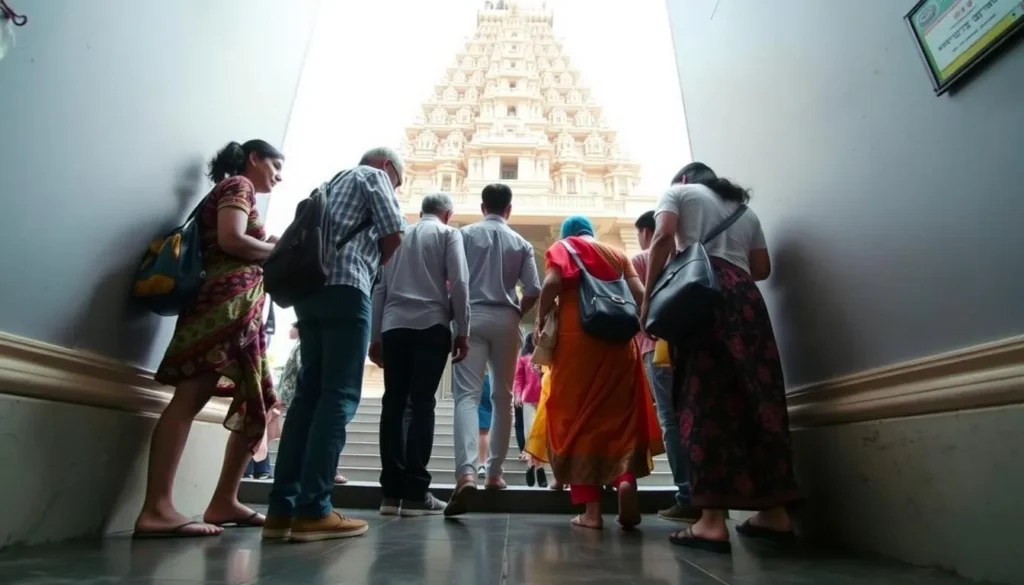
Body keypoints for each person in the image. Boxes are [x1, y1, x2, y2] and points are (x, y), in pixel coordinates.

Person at [642, 162, 801, 553]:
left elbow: (662, 238)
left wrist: (647, 302)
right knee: (757, 397)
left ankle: (711, 521)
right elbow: (761, 268)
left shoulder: (677, 193)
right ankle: (775, 513)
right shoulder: (746, 211)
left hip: (700, 296)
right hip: (746, 299)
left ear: (683, 180)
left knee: (703, 399)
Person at [134, 140, 285, 538]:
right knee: (189, 399)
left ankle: (224, 500)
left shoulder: (238, 189)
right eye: (275, 164)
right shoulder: (239, 185)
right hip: (223, 307)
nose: (279, 175)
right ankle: (157, 508)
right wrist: (274, 251)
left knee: (259, 401)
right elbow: (232, 240)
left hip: (238, 310)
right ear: (253, 159)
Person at [264, 147, 406, 543]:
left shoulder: (327, 185)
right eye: (399, 180)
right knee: (339, 396)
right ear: (387, 167)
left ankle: (281, 510)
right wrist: (378, 272)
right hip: (347, 288)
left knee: (308, 398)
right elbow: (395, 235)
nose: (395, 187)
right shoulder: (373, 176)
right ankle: (314, 509)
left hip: (310, 293)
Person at [528, 215, 664, 530]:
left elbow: (551, 284)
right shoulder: (616, 253)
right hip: (619, 342)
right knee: (616, 416)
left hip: (577, 342)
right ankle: (624, 479)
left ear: (568, 234)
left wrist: (541, 318)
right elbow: (640, 294)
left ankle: (591, 512)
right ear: (590, 232)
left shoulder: (563, 247)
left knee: (575, 419)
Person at [369, 193, 470, 517]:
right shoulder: (448, 234)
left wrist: (375, 337)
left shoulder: (397, 235)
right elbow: (459, 283)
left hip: (394, 326)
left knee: (393, 403)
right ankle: (415, 492)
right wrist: (462, 329)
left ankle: (390, 494)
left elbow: (380, 288)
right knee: (422, 403)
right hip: (431, 324)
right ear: (447, 213)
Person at [445, 184, 541, 516]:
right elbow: (534, 288)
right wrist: (518, 310)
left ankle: (467, 472)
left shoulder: (464, 235)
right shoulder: (522, 243)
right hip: (506, 318)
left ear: (483, 206)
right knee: (503, 399)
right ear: (509, 209)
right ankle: (495, 474)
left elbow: (453, 280)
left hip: (470, 315)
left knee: (467, 397)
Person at [630, 210, 693, 521]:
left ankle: (686, 494)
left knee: (668, 418)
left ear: (645, 233)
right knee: (693, 415)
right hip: (689, 345)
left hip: (655, 348)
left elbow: (631, 308)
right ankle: (707, 495)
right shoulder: (686, 256)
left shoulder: (640, 260)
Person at [250, 324, 347, 484]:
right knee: (313, 432)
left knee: (304, 433)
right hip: (302, 397)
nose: (290, 330)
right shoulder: (305, 344)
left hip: (299, 397)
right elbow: (304, 370)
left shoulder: (305, 343)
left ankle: (309, 470)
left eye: (294, 327)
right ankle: (323, 470)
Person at [513, 333, 547, 488]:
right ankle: (537, 468)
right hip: (528, 400)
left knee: (539, 435)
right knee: (529, 434)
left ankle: (533, 467)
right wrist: (517, 395)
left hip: (544, 399)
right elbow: (518, 378)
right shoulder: (524, 357)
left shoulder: (546, 356)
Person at [476, 372, 492, 479]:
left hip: (479, 377)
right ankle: (494, 465)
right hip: (496, 377)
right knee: (498, 424)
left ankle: (482, 464)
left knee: (483, 431)